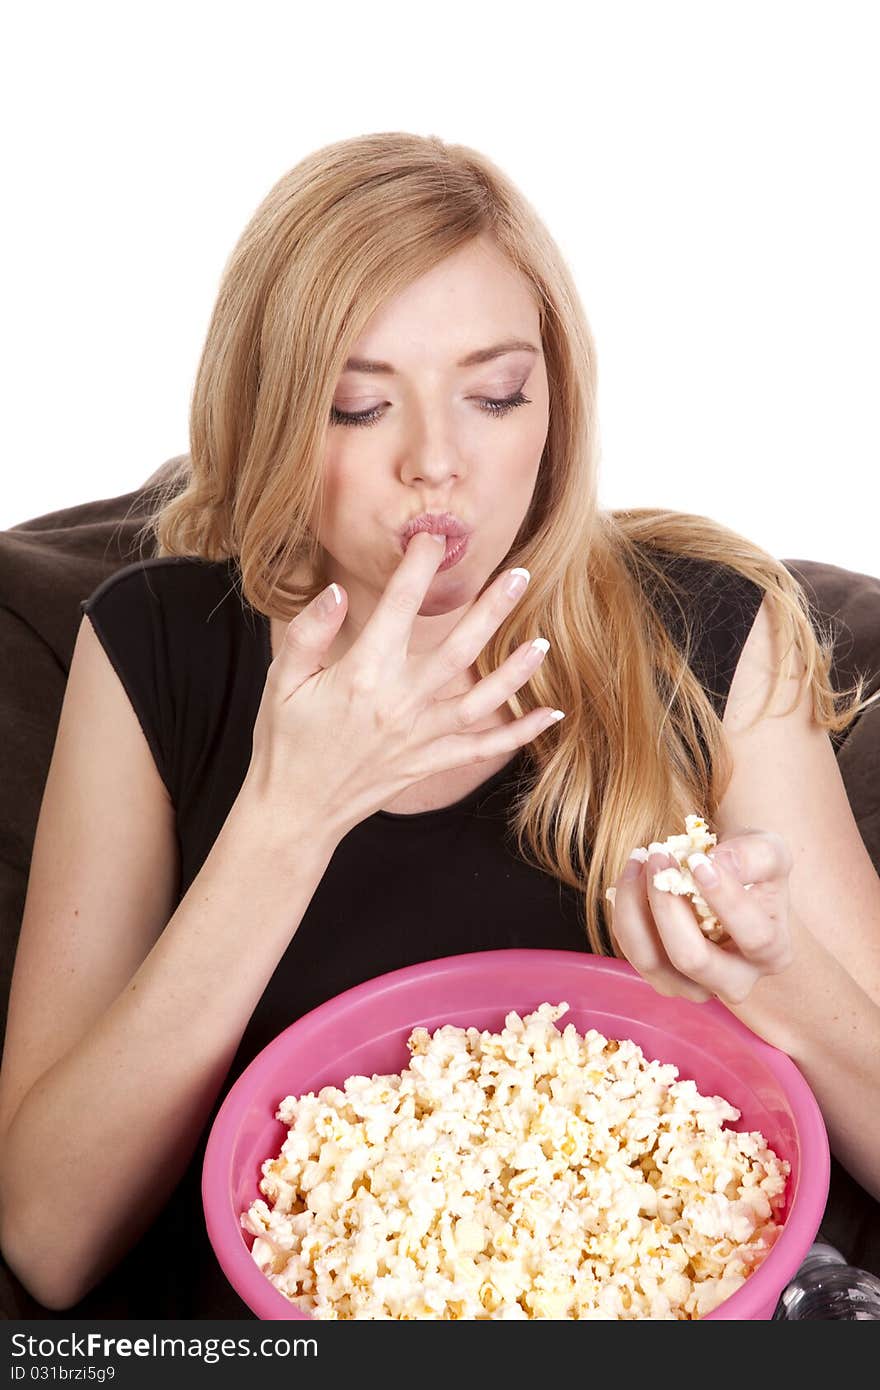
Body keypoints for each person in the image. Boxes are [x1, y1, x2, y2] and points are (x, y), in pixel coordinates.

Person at [0, 131, 878, 1320]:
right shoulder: (155, 646)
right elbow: (49, 1239)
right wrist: (286, 822)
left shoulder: (709, 631)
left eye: (495, 394)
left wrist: (771, 976)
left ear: (554, 406)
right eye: (359, 406)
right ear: (266, 418)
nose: (438, 464)